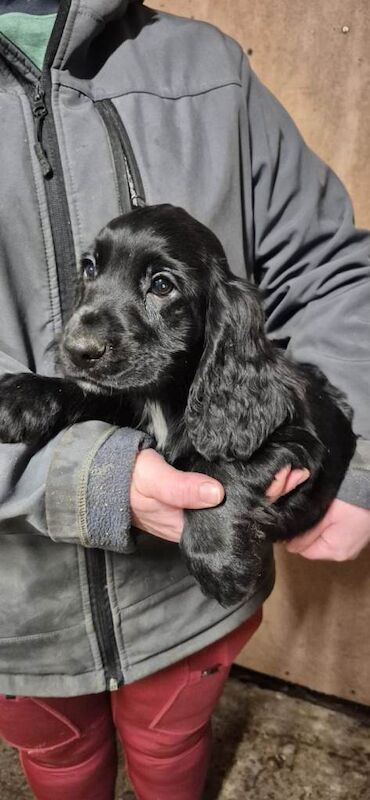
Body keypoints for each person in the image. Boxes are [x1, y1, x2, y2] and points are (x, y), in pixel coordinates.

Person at [0, 1, 369, 799]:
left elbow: (334, 274)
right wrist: (70, 465)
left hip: (188, 619)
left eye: (158, 286)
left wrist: (362, 465)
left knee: (172, 740)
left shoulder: (208, 68)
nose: (90, 328)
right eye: (94, 272)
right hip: (16, 619)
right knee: (58, 760)